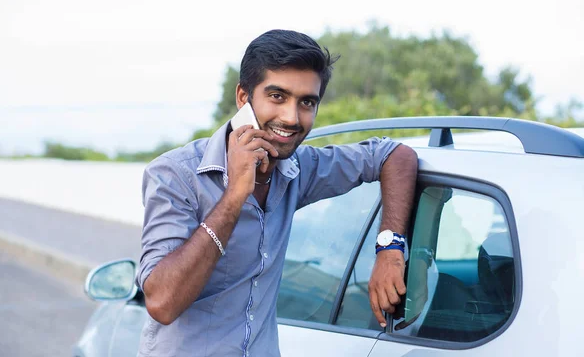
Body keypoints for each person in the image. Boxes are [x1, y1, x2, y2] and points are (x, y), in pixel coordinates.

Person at [136, 29, 418, 357]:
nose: (291, 117)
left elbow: (394, 156)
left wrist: (390, 249)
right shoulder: (176, 175)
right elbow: (162, 303)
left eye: (306, 102)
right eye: (277, 97)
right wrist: (234, 197)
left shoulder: (299, 168)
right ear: (244, 97)